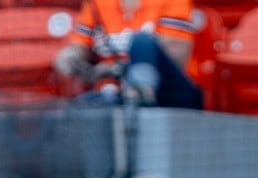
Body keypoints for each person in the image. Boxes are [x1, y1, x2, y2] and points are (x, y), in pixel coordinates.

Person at [54, 0, 203, 109]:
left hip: (171, 96)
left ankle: (140, 96)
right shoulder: (97, 3)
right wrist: (69, 58)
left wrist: (116, 70)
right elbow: (80, 47)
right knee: (81, 106)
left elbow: (177, 59)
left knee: (142, 42)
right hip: (117, 93)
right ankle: (132, 101)